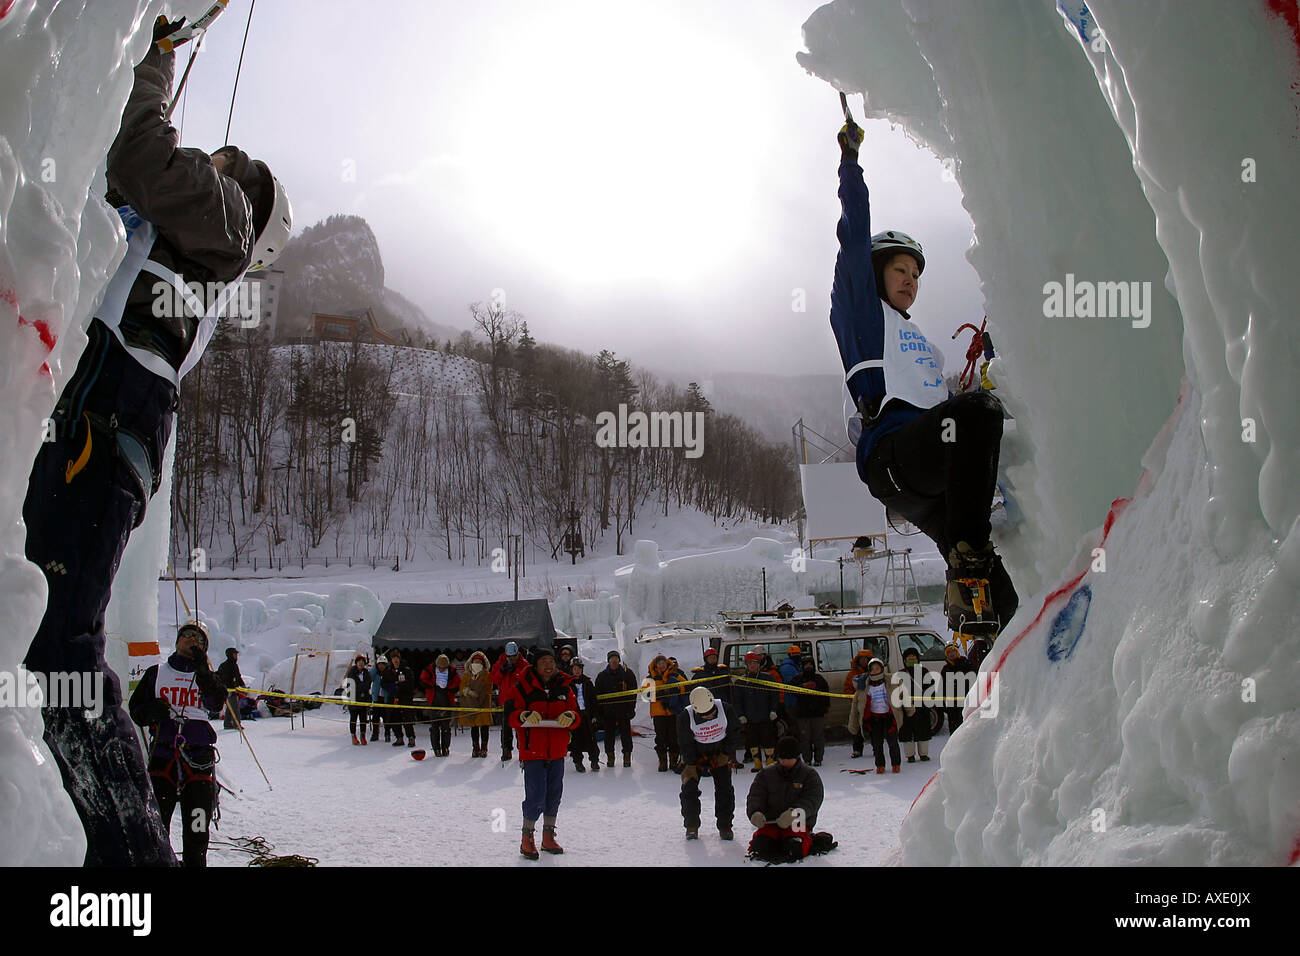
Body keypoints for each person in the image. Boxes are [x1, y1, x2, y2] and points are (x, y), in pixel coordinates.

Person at [20, 15, 291, 867]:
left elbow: (140, 152)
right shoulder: (170, 237)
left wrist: (152, 55)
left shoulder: (226, 220)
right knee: (42, 633)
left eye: (223, 161)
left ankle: (132, 859)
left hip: (105, 428)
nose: (212, 160)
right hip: (103, 426)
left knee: (61, 646)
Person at [826, 117, 1016, 640]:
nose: (909, 280)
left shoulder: (927, 346)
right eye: (899, 270)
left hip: (929, 480)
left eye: (915, 274)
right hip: (891, 455)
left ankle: (1000, 638)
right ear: (876, 273)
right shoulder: (862, 314)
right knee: (977, 415)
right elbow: (854, 231)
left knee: (1000, 584)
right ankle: (970, 560)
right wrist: (850, 162)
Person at [128, 621, 228, 866]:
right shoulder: (156, 673)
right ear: (177, 640)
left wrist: (204, 673)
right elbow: (136, 710)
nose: (192, 640)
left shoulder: (207, 677)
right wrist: (152, 711)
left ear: (204, 647)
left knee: (197, 828)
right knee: (156, 823)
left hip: (199, 761)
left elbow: (217, 704)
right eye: (187, 635)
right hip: (164, 757)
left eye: (199, 638)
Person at [505, 649, 579, 859]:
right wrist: (524, 715)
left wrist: (571, 715)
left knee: (554, 795)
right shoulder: (521, 686)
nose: (548, 665)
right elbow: (509, 715)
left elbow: (577, 714)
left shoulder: (565, 686)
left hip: (556, 751)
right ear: (535, 665)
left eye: (551, 661)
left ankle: (548, 837)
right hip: (533, 751)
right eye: (544, 661)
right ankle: (526, 838)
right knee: (535, 796)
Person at [746, 737, 834, 863]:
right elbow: (756, 796)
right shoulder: (765, 775)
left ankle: (807, 840)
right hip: (771, 822)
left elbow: (813, 800)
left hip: (798, 823)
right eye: (782, 759)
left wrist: (795, 813)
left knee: (794, 849)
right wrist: (755, 812)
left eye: (789, 759)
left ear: (797, 757)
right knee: (761, 847)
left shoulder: (809, 775)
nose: (785, 762)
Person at [677, 687, 742, 840]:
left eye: (712, 713)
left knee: (725, 790)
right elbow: (684, 742)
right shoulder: (685, 717)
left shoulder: (726, 709)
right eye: (705, 716)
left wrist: (726, 753)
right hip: (696, 756)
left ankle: (725, 825)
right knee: (689, 790)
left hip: (720, 754)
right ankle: (691, 825)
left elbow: (735, 731)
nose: (710, 716)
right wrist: (691, 764)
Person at [849, 657, 903, 774]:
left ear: (882, 669)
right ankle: (880, 765)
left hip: (889, 718)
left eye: (877, 668)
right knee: (877, 744)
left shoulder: (890, 681)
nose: (875, 671)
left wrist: (909, 709)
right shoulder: (864, 686)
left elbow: (904, 696)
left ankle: (896, 764)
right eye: (872, 669)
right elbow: (855, 707)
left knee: (893, 743)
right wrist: (853, 724)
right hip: (874, 719)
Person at [733, 652, 780, 771]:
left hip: (766, 717)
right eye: (750, 663)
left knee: (768, 739)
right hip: (750, 718)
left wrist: (773, 710)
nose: (752, 666)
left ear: (759, 664)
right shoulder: (741, 682)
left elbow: (775, 696)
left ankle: (769, 760)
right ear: (746, 666)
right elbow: (737, 700)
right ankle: (757, 762)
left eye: (755, 663)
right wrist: (741, 715)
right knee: (752, 741)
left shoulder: (768, 678)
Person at [594, 650, 636, 767]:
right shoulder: (602, 676)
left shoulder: (628, 674)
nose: (614, 662)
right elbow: (598, 695)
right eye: (612, 660)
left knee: (626, 734)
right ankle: (610, 756)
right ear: (608, 661)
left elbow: (633, 693)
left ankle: (627, 756)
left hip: (624, 710)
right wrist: (600, 713)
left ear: (619, 661)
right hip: (608, 711)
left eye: (616, 660)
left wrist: (631, 709)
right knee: (609, 735)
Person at [491, 641, 531, 763]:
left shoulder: (524, 664)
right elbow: (493, 679)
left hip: (520, 700)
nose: (512, 659)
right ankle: (506, 750)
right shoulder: (500, 663)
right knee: (506, 726)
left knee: (521, 725)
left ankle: (523, 750)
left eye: (514, 657)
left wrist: (515, 672)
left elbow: (527, 680)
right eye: (510, 657)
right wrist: (502, 672)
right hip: (506, 699)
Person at [647, 655, 684, 772]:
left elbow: (685, 687)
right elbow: (646, 695)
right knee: (660, 738)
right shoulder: (650, 678)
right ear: (655, 665)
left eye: (663, 663)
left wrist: (674, 691)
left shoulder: (676, 676)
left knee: (674, 737)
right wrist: (663, 694)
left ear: (667, 664)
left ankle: (673, 761)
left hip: (673, 712)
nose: (662, 665)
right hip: (658, 713)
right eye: (659, 663)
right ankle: (662, 762)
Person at [896, 647, 932, 763]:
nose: (911, 658)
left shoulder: (924, 671)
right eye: (908, 656)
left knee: (923, 732)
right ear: (904, 659)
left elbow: (931, 688)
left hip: (922, 707)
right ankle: (910, 755)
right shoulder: (900, 674)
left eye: (914, 656)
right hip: (906, 708)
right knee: (907, 733)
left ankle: (923, 754)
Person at [420, 653, 461, 757]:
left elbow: (457, 683)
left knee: (445, 727)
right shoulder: (429, 669)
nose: (442, 669)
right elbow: (423, 679)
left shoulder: (452, 671)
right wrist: (433, 686)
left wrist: (449, 689)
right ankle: (436, 748)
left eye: (444, 668)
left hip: (447, 701)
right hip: (434, 701)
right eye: (440, 667)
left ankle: (445, 747)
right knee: (434, 727)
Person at [792, 658, 830, 766]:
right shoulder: (798, 679)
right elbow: (790, 690)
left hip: (818, 713)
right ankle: (807, 759)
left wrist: (826, 708)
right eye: (806, 665)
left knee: (819, 737)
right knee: (805, 738)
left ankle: (818, 759)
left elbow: (826, 695)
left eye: (810, 664)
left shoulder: (819, 679)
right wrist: (802, 687)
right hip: (802, 714)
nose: (808, 667)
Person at [458, 651, 495, 757]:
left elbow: (488, 688)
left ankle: (484, 747)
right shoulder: (466, 675)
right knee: (473, 727)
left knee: (484, 727)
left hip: (483, 704)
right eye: (475, 661)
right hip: (470, 705)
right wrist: (467, 691)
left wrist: (478, 693)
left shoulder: (487, 674)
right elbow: (462, 687)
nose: (477, 662)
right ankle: (475, 747)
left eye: (479, 661)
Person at [566, 658, 601, 772]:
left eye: (579, 669)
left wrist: (595, 715)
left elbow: (594, 701)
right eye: (575, 669)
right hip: (575, 717)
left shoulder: (588, 683)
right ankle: (578, 762)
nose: (577, 671)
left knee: (591, 740)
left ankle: (594, 760)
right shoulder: (567, 684)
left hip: (587, 716)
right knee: (576, 741)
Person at [844, 649, 875, 758]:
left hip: (872, 706)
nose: (864, 661)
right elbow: (847, 688)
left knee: (874, 728)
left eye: (866, 659)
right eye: (862, 659)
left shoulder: (875, 672)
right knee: (856, 728)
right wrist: (854, 700)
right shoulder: (852, 674)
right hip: (857, 706)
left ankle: (876, 747)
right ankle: (857, 749)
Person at [940, 643, 976, 735]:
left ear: (957, 652)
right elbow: (942, 686)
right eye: (949, 652)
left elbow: (973, 680)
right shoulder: (945, 669)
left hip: (965, 701)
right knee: (954, 730)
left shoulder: (966, 664)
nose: (952, 654)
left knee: (966, 727)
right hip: (952, 705)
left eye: (953, 651)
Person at [387, 650, 418, 748]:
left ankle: (411, 737)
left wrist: (399, 686)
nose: (395, 660)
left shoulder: (406, 670)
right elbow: (384, 683)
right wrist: (392, 687)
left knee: (407, 718)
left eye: (397, 658)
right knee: (394, 717)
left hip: (405, 697)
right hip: (393, 698)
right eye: (393, 658)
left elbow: (411, 683)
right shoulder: (388, 671)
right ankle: (399, 737)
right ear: (391, 660)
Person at [345, 653, 372, 746]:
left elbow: (368, 684)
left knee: (363, 719)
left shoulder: (366, 673)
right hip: (353, 699)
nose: (361, 664)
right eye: (359, 662)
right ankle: (353, 736)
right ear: (356, 663)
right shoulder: (352, 672)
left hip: (363, 699)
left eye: (362, 662)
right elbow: (352, 686)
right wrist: (361, 689)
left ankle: (363, 735)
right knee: (353, 719)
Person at [216, 647, 244, 730]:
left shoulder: (229, 665)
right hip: (229, 690)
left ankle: (227, 724)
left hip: (229, 690)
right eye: (234, 654)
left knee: (230, 707)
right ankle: (237, 725)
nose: (236, 656)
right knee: (234, 708)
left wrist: (242, 685)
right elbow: (235, 677)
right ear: (230, 655)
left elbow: (237, 677)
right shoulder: (229, 665)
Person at [371, 655, 395, 741]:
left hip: (386, 698)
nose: (381, 666)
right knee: (375, 717)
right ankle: (375, 733)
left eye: (383, 664)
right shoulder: (375, 674)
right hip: (377, 698)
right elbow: (370, 676)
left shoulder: (388, 673)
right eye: (379, 664)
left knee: (386, 717)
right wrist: (374, 667)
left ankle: (387, 733)